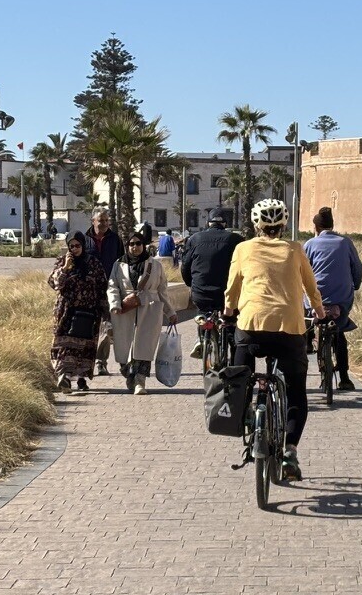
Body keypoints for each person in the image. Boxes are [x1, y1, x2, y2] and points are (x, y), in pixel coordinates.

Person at [224, 199, 324, 481]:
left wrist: (228, 312)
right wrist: (319, 312)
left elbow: (233, 287)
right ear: (283, 225)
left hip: (251, 325)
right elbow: (310, 286)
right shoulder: (295, 249)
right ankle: (290, 451)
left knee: (239, 377)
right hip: (289, 328)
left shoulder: (243, 249)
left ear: (256, 225)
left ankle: (247, 415)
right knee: (296, 391)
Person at [108, 230, 178, 395]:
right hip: (125, 308)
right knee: (123, 346)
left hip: (150, 307)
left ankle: (140, 381)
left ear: (143, 245)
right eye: (131, 244)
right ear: (127, 246)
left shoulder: (155, 265)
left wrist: (170, 312)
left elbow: (162, 291)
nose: (135, 247)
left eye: (138, 243)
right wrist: (115, 304)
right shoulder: (119, 264)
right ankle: (128, 374)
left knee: (145, 346)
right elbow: (112, 286)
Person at [303, 206, 362, 392]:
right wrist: (355, 285)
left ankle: (308, 340)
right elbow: (357, 268)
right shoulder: (345, 243)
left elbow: (302, 272)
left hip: (316, 299)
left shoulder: (310, 244)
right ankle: (345, 378)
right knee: (339, 332)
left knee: (305, 314)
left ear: (316, 228)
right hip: (341, 298)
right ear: (332, 225)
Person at [47, 232, 109, 393]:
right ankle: (64, 377)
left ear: (83, 245)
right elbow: (54, 284)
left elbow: (102, 286)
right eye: (71, 246)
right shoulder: (62, 262)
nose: (75, 249)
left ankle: (81, 378)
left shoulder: (93, 263)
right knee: (64, 346)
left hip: (89, 312)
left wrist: (105, 310)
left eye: (78, 246)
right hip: (66, 312)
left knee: (84, 347)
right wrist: (65, 268)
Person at [181, 208, 244, 358]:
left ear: (208, 223)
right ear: (225, 223)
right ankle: (233, 344)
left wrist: (191, 284)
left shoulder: (194, 239)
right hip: (227, 293)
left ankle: (202, 338)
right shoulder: (236, 239)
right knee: (231, 320)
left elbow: (185, 266)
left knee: (203, 313)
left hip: (201, 292)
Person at [84, 208, 125, 376]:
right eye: (101, 220)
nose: (104, 223)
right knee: (89, 328)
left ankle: (101, 362)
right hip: (89, 291)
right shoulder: (84, 239)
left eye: (107, 220)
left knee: (107, 327)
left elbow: (122, 263)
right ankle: (86, 363)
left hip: (110, 289)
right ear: (93, 221)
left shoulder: (115, 240)